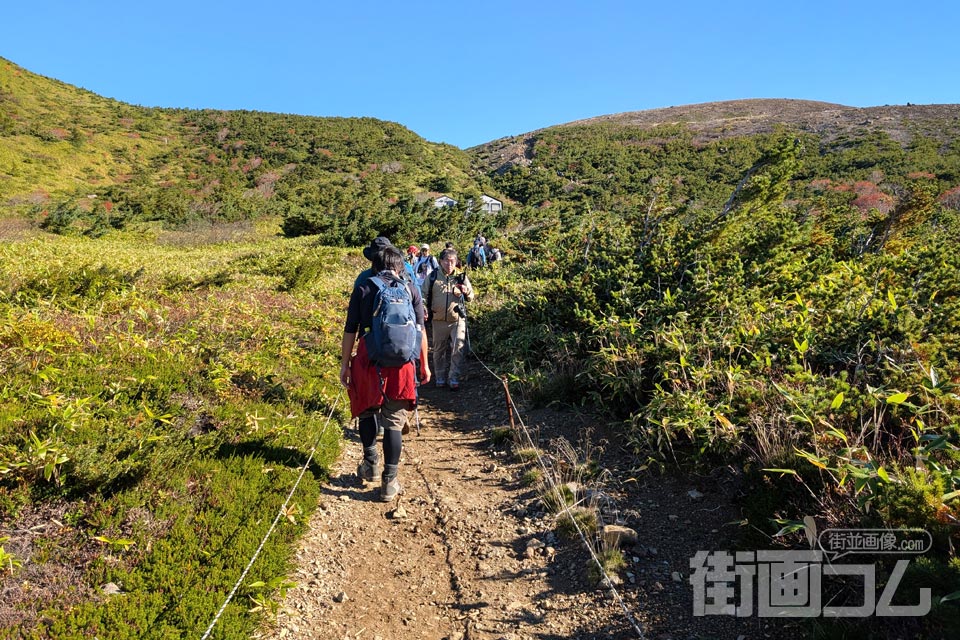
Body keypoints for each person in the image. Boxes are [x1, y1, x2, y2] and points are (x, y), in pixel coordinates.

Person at [340, 246, 430, 501]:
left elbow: (350, 330)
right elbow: (421, 331)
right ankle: (389, 482)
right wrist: (424, 365)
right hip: (402, 363)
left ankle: (370, 463)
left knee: (367, 410)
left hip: (369, 358)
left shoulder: (364, 287)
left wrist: (345, 363)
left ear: (376, 266)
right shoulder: (411, 289)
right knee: (393, 420)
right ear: (400, 266)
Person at [422, 248, 474, 391]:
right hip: (438, 320)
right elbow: (423, 295)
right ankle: (439, 377)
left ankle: (454, 378)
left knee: (458, 348)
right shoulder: (432, 277)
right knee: (438, 350)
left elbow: (471, 297)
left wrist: (465, 290)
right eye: (446, 261)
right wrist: (423, 307)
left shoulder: (461, 277)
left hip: (457, 320)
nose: (449, 264)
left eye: (452, 261)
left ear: (456, 262)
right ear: (440, 261)